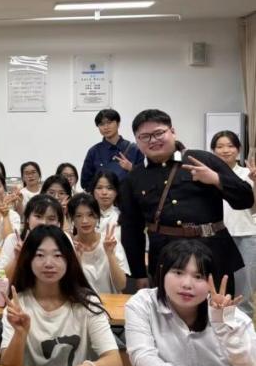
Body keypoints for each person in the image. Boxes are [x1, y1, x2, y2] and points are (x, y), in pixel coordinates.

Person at [119, 109, 253, 292]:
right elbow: (131, 229)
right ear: (137, 140)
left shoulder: (202, 159)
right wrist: (139, 273)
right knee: (167, 308)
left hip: (212, 253)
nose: (153, 140)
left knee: (217, 308)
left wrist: (216, 179)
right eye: (145, 136)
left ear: (172, 132)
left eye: (159, 133)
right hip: (165, 259)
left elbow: (245, 199)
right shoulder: (134, 177)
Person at [125, 239, 256, 366]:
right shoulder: (142, 304)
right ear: (162, 272)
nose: (187, 284)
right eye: (178, 272)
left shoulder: (229, 315)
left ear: (211, 280)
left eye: (199, 276)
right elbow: (142, 357)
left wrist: (224, 325)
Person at [0, 225, 123, 366]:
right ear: (28, 260)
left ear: (69, 260)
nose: (49, 263)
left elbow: (114, 360)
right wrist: (19, 334)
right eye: (40, 255)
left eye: (57, 255)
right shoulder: (18, 305)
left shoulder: (87, 303)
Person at [211, 130, 256, 316]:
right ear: (213, 150)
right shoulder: (209, 175)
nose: (225, 150)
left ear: (238, 149)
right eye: (220, 146)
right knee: (217, 286)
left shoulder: (248, 174)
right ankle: (218, 325)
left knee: (244, 288)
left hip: (246, 235)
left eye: (230, 146)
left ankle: (243, 327)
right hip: (217, 237)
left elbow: (254, 208)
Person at [0, 194, 64, 282]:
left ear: (58, 223)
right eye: (38, 216)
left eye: (51, 219)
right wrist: (17, 258)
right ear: (27, 219)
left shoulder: (64, 240)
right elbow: (1, 280)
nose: (44, 223)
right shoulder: (13, 240)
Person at [68, 193, 129, 294]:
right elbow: (69, 287)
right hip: (82, 301)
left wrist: (110, 254)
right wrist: (77, 260)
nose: (85, 221)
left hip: (111, 301)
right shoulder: (69, 245)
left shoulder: (110, 241)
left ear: (97, 216)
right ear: (72, 219)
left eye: (90, 215)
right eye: (79, 216)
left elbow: (121, 285)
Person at [80, 108, 141, 192]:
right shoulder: (94, 151)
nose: (106, 127)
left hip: (129, 198)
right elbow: (85, 182)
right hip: (102, 198)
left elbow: (146, 178)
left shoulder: (135, 149)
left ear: (118, 124)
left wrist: (131, 168)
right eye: (101, 124)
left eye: (109, 122)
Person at [90, 170, 120, 237]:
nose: (104, 192)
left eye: (109, 188)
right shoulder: (85, 216)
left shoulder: (123, 217)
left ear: (116, 192)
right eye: (99, 188)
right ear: (93, 191)